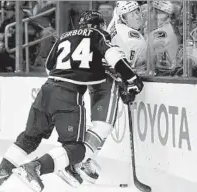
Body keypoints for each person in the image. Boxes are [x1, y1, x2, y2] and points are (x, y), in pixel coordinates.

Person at [0, 10, 143, 192]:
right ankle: (35, 167)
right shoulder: (98, 34)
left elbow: (49, 66)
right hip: (68, 95)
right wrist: (132, 81)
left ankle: (1, 173)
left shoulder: (64, 36)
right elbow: (114, 57)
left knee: (29, 138)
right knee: (76, 149)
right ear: (99, 25)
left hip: (46, 90)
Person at [61, 1, 146, 186]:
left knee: (101, 125)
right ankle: (74, 161)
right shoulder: (130, 37)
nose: (137, 16)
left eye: (138, 12)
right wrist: (128, 82)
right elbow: (120, 63)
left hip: (97, 80)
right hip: (109, 82)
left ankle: (83, 159)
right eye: (132, 13)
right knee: (102, 126)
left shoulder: (113, 25)